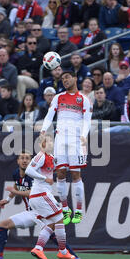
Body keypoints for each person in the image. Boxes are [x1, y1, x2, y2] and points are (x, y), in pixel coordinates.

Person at [0, 151, 80, 259]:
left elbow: (31, 193)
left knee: (53, 231)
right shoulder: (16, 173)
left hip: (41, 210)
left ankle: (73, 256)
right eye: (22, 158)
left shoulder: (34, 175)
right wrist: (8, 199)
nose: (24, 160)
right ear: (17, 161)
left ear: (31, 161)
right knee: (3, 225)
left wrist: (16, 192)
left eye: (27, 158)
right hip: (30, 212)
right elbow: (17, 185)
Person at [39, 70, 92, 225]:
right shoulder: (58, 97)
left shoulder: (84, 99)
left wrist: (84, 134)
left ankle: (79, 211)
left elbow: (87, 120)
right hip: (60, 139)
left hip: (76, 140)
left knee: (76, 175)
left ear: (75, 78)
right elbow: (50, 115)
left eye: (67, 77)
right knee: (60, 174)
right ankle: (65, 208)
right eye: (62, 79)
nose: (65, 80)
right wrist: (43, 129)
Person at [26, 134, 77, 259]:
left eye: (51, 141)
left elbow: (55, 169)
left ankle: (38, 248)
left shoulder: (50, 158)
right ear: (41, 144)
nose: (51, 144)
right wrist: (45, 179)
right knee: (60, 217)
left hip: (39, 196)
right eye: (47, 142)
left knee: (52, 223)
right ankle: (63, 251)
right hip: (41, 194)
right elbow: (28, 170)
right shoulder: (41, 156)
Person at [16, 36, 43, 101]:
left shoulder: (40, 56)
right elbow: (19, 69)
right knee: (17, 79)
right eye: (30, 43)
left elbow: (43, 73)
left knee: (19, 79)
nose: (32, 45)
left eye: (34, 43)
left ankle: (21, 103)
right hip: (23, 78)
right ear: (26, 44)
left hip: (36, 81)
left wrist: (31, 75)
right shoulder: (22, 57)